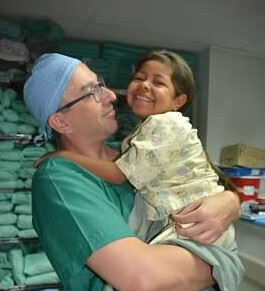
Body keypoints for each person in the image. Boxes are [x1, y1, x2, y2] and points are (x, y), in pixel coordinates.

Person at [23, 53, 247, 291]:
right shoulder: (58, 178)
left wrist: (229, 202)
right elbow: (142, 277)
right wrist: (224, 263)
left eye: (100, 84)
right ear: (61, 121)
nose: (109, 96)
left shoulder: (132, 152)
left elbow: (202, 177)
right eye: (91, 92)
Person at [44, 50, 235, 247]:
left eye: (158, 82)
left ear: (178, 101)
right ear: (59, 121)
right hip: (191, 222)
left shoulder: (164, 125)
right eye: (139, 78)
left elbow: (119, 174)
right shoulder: (144, 134)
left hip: (196, 224)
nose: (144, 85)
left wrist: (64, 155)